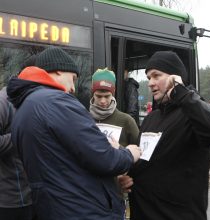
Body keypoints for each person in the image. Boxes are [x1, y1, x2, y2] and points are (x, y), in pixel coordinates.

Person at [6, 46, 141, 220]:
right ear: (58, 71)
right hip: (84, 210)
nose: (73, 89)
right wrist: (129, 153)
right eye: (73, 78)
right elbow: (105, 159)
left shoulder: (23, 108)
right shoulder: (57, 101)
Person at [119, 51, 210, 220]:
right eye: (148, 77)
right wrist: (127, 177)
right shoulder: (152, 117)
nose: (150, 83)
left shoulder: (192, 112)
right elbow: (142, 158)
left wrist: (183, 94)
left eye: (156, 76)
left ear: (175, 77)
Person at [90, 68, 139, 218]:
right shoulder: (83, 119)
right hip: (89, 194)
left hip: (115, 195)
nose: (103, 101)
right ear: (93, 93)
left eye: (107, 96)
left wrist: (129, 176)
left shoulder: (126, 121)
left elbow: (141, 154)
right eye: (99, 96)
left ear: (114, 93)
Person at [0, 56, 37, 220]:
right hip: (11, 201)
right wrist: (20, 135)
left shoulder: (35, 100)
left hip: (35, 196)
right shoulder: (3, 100)